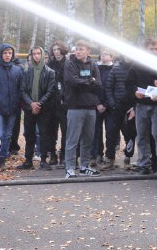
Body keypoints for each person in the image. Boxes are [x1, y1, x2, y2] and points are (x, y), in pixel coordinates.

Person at [125, 38, 157, 175]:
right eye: (152, 49)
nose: (155, 51)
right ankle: (144, 164)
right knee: (142, 135)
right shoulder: (137, 64)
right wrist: (135, 93)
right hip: (142, 104)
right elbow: (128, 84)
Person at [63, 40, 103, 179]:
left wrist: (87, 82)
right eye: (76, 49)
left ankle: (84, 166)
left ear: (88, 51)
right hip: (75, 107)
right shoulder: (70, 64)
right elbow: (72, 82)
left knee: (88, 139)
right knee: (72, 140)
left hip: (90, 108)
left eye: (81, 49)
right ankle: (70, 168)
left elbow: (98, 84)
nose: (78, 51)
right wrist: (89, 81)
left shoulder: (93, 65)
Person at [18, 46, 57, 170]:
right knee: (29, 135)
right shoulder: (27, 72)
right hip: (30, 108)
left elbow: (50, 91)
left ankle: (43, 160)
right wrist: (31, 104)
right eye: (33, 54)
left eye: (38, 54)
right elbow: (23, 90)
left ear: (42, 55)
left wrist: (39, 104)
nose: (36, 56)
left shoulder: (50, 72)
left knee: (44, 134)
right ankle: (28, 160)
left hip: (44, 109)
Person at [104, 54, 136, 170]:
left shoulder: (136, 67)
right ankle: (110, 159)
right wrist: (112, 104)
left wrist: (135, 106)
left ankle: (128, 158)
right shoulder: (116, 68)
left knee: (130, 134)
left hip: (131, 106)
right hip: (117, 105)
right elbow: (109, 87)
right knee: (111, 133)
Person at [48, 41, 70, 166]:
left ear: (62, 50)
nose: (56, 51)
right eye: (54, 49)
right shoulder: (50, 64)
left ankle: (64, 155)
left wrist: (64, 96)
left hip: (64, 101)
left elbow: (68, 82)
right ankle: (52, 154)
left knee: (65, 129)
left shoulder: (68, 63)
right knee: (52, 130)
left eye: (58, 49)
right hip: (52, 101)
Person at [92, 49, 114, 167]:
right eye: (102, 54)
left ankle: (109, 157)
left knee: (110, 132)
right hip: (97, 104)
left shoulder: (114, 69)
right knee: (96, 131)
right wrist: (98, 103)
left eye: (106, 54)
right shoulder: (96, 69)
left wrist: (106, 104)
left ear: (111, 56)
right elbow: (93, 87)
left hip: (110, 106)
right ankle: (96, 154)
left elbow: (114, 88)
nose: (103, 56)